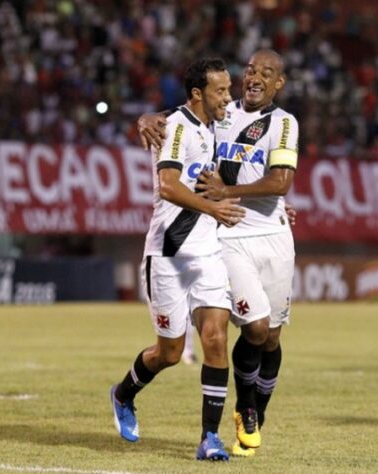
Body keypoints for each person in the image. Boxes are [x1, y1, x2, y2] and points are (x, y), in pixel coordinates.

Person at [139, 49, 299, 457]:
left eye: (266, 73)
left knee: (272, 338)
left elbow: (280, 182)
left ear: (279, 83)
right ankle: (244, 406)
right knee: (256, 328)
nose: (255, 77)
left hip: (274, 235)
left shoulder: (283, 123)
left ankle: (255, 412)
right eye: (250, 70)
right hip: (226, 235)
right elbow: (188, 112)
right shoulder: (224, 113)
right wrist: (146, 117)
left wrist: (230, 191)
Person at [110, 58, 245, 461]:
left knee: (216, 339)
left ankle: (209, 438)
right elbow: (168, 186)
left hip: (207, 254)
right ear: (198, 94)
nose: (228, 97)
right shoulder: (176, 128)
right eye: (221, 90)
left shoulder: (219, 123)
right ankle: (122, 394)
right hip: (167, 255)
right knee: (169, 353)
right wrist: (214, 209)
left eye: (229, 88)